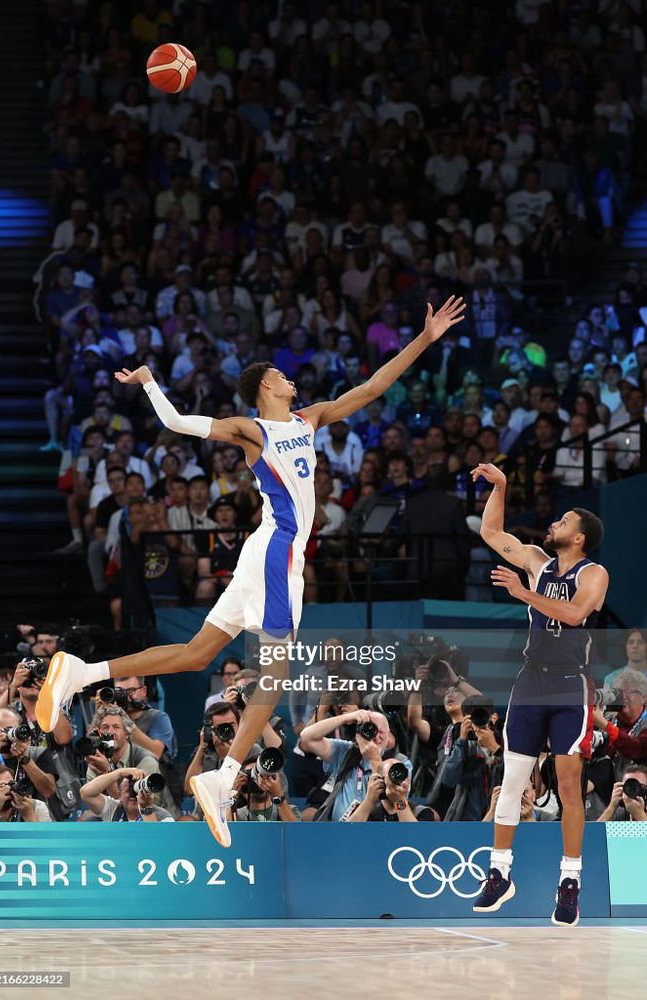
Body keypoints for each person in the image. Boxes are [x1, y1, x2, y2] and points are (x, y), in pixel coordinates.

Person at [35, 296, 467, 848]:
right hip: (276, 552)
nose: (292, 380)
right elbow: (177, 422)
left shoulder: (310, 418)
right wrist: (148, 382)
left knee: (196, 654)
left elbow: (372, 387)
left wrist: (425, 339)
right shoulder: (252, 429)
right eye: (283, 376)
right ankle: (223, 776)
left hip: (267, 554)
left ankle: (82, 673)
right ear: (266, 385)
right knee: (275, 673)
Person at [470, 462, 608, 926]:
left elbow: (574, 614)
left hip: (570, 684)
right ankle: (499, 873)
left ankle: (570, 882)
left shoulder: (594, 573)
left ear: (579, 537)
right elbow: (492, 532)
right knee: (511, 780)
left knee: (569, 784)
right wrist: (502, 486)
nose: (555, 524)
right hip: (531, 680)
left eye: (564, 521)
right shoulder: (536, 561)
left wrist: (523, 594)